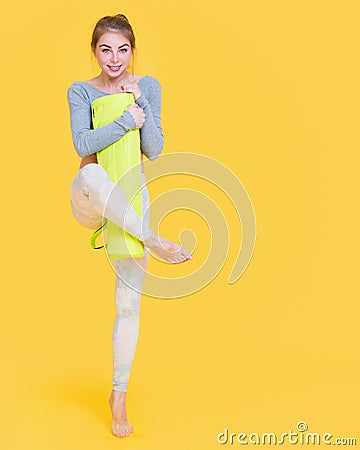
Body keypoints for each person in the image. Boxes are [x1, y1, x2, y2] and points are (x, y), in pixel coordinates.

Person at [67, 14, 192, 438]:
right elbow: (82, 145)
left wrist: (142, 105)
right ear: (95, 51)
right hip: (91, 199)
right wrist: (124, 119)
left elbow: (153, 150)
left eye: (122, 50)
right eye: (105, 49)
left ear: (132, 51)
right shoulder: (81, 91)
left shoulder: (148, 87)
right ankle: (154, 239)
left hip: (130, 202)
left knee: (128, 304)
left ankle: (118, 394)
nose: (114, 59)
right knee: (89, 175)